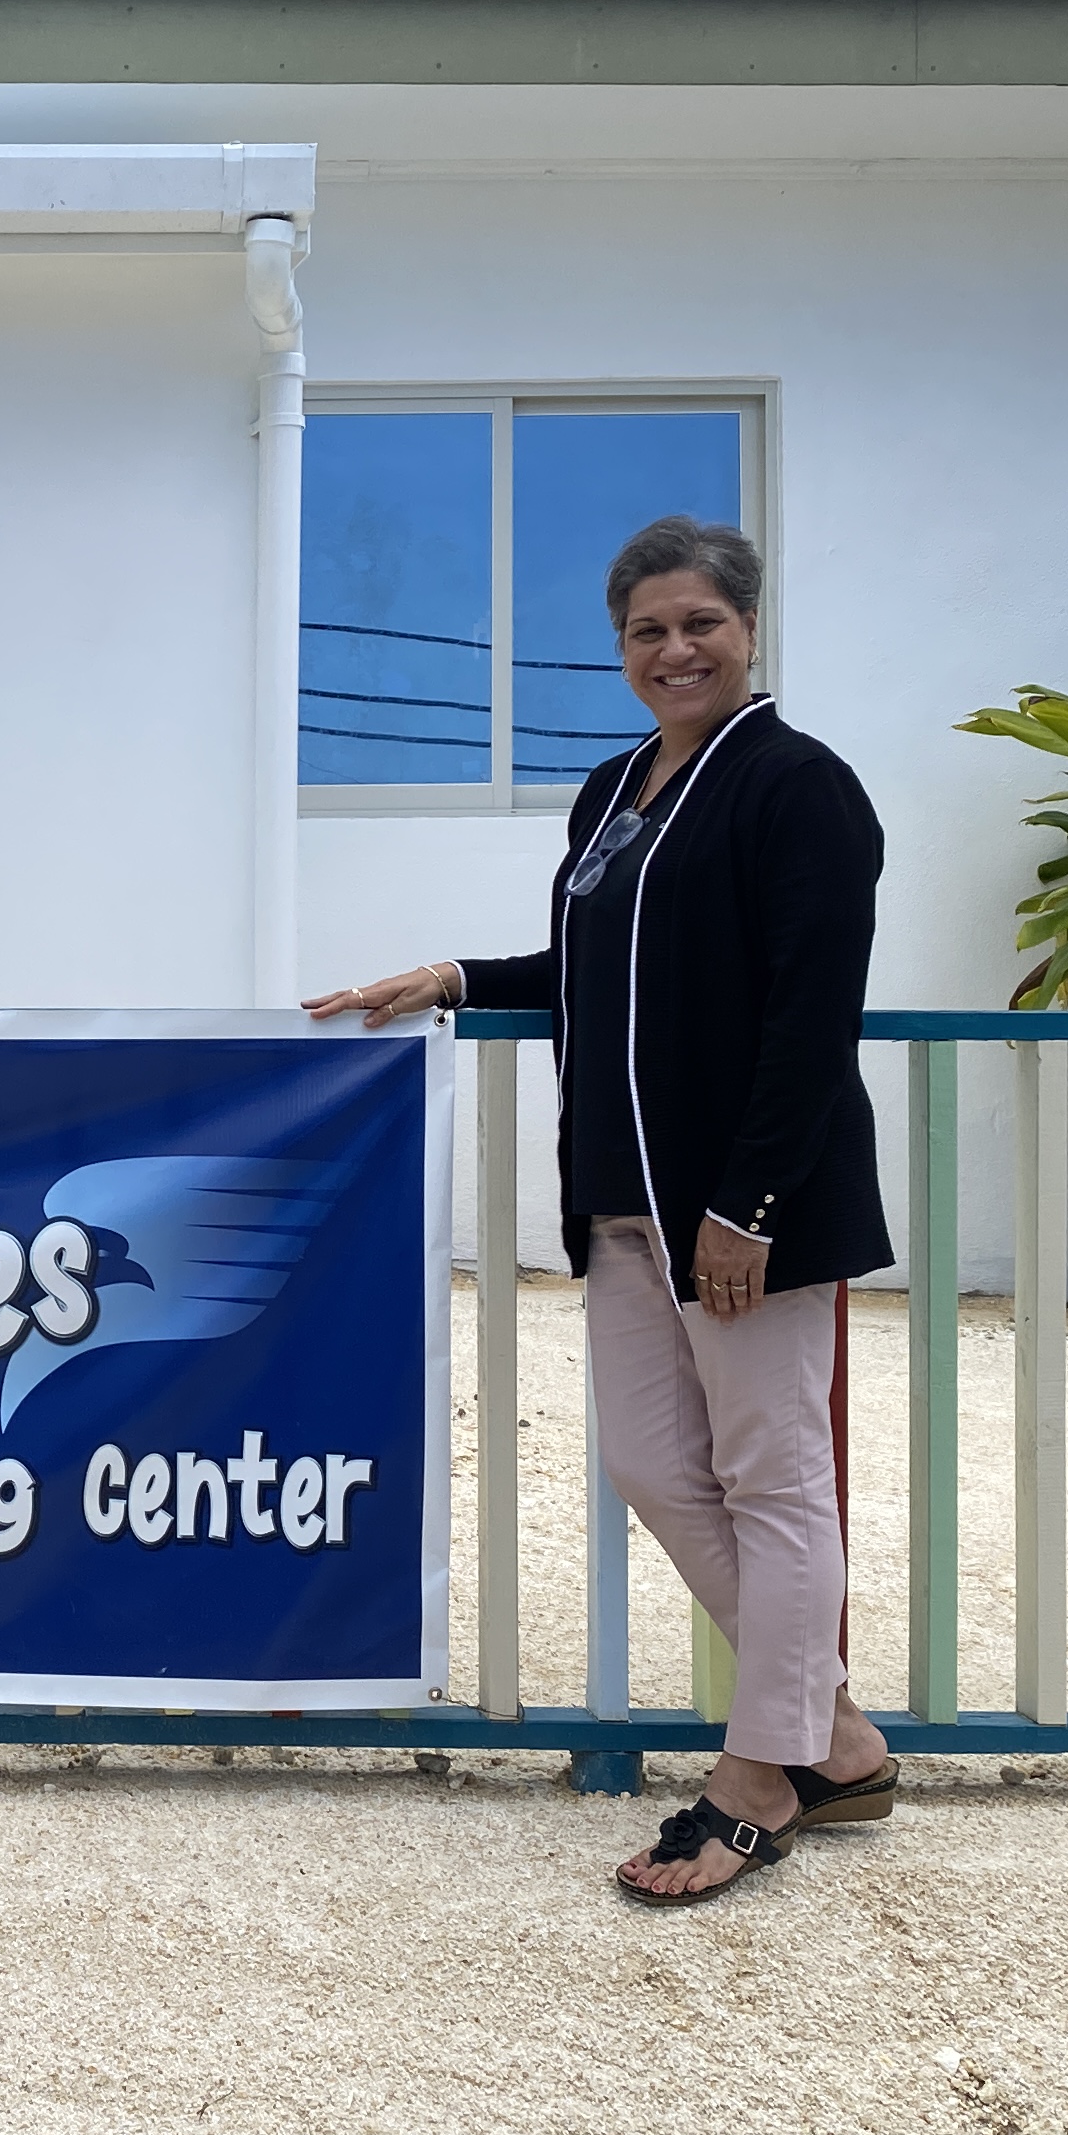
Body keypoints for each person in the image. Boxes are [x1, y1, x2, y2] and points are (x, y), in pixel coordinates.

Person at [307, 516, 893, 1905]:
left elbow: (811, 1015)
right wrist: (451, 977)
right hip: (622, 1208)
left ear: (747, 629)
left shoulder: (803, 789)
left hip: (749, 1214)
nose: (674, 650)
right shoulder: (615, 792)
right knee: (650, 1466)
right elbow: (592, 967)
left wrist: (746, 1204)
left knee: (775, 1480)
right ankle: (839, 1737)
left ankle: (762, 1778)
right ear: (621, 651)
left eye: (699, 623)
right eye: (647, 632)